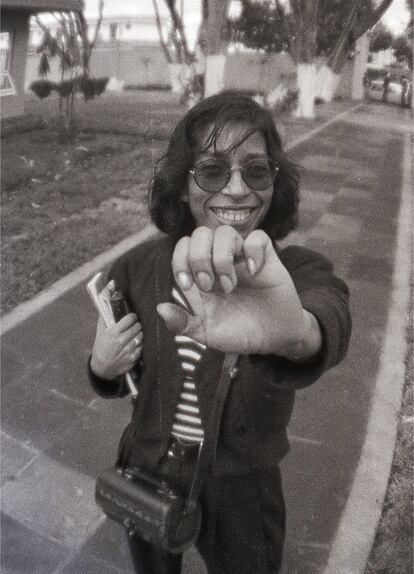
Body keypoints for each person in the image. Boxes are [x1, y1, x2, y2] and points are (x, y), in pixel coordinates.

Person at [88, 92, 352, 574]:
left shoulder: (293, 272)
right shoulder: (139, 267)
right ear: (182, 186)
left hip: (242, 485)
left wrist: (295, 334)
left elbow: (329, 308)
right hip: (148, 465)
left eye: (255, 170)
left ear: (275, 182)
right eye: (212, 170)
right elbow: (115, 363)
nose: (236, 189)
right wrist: (101, 368)